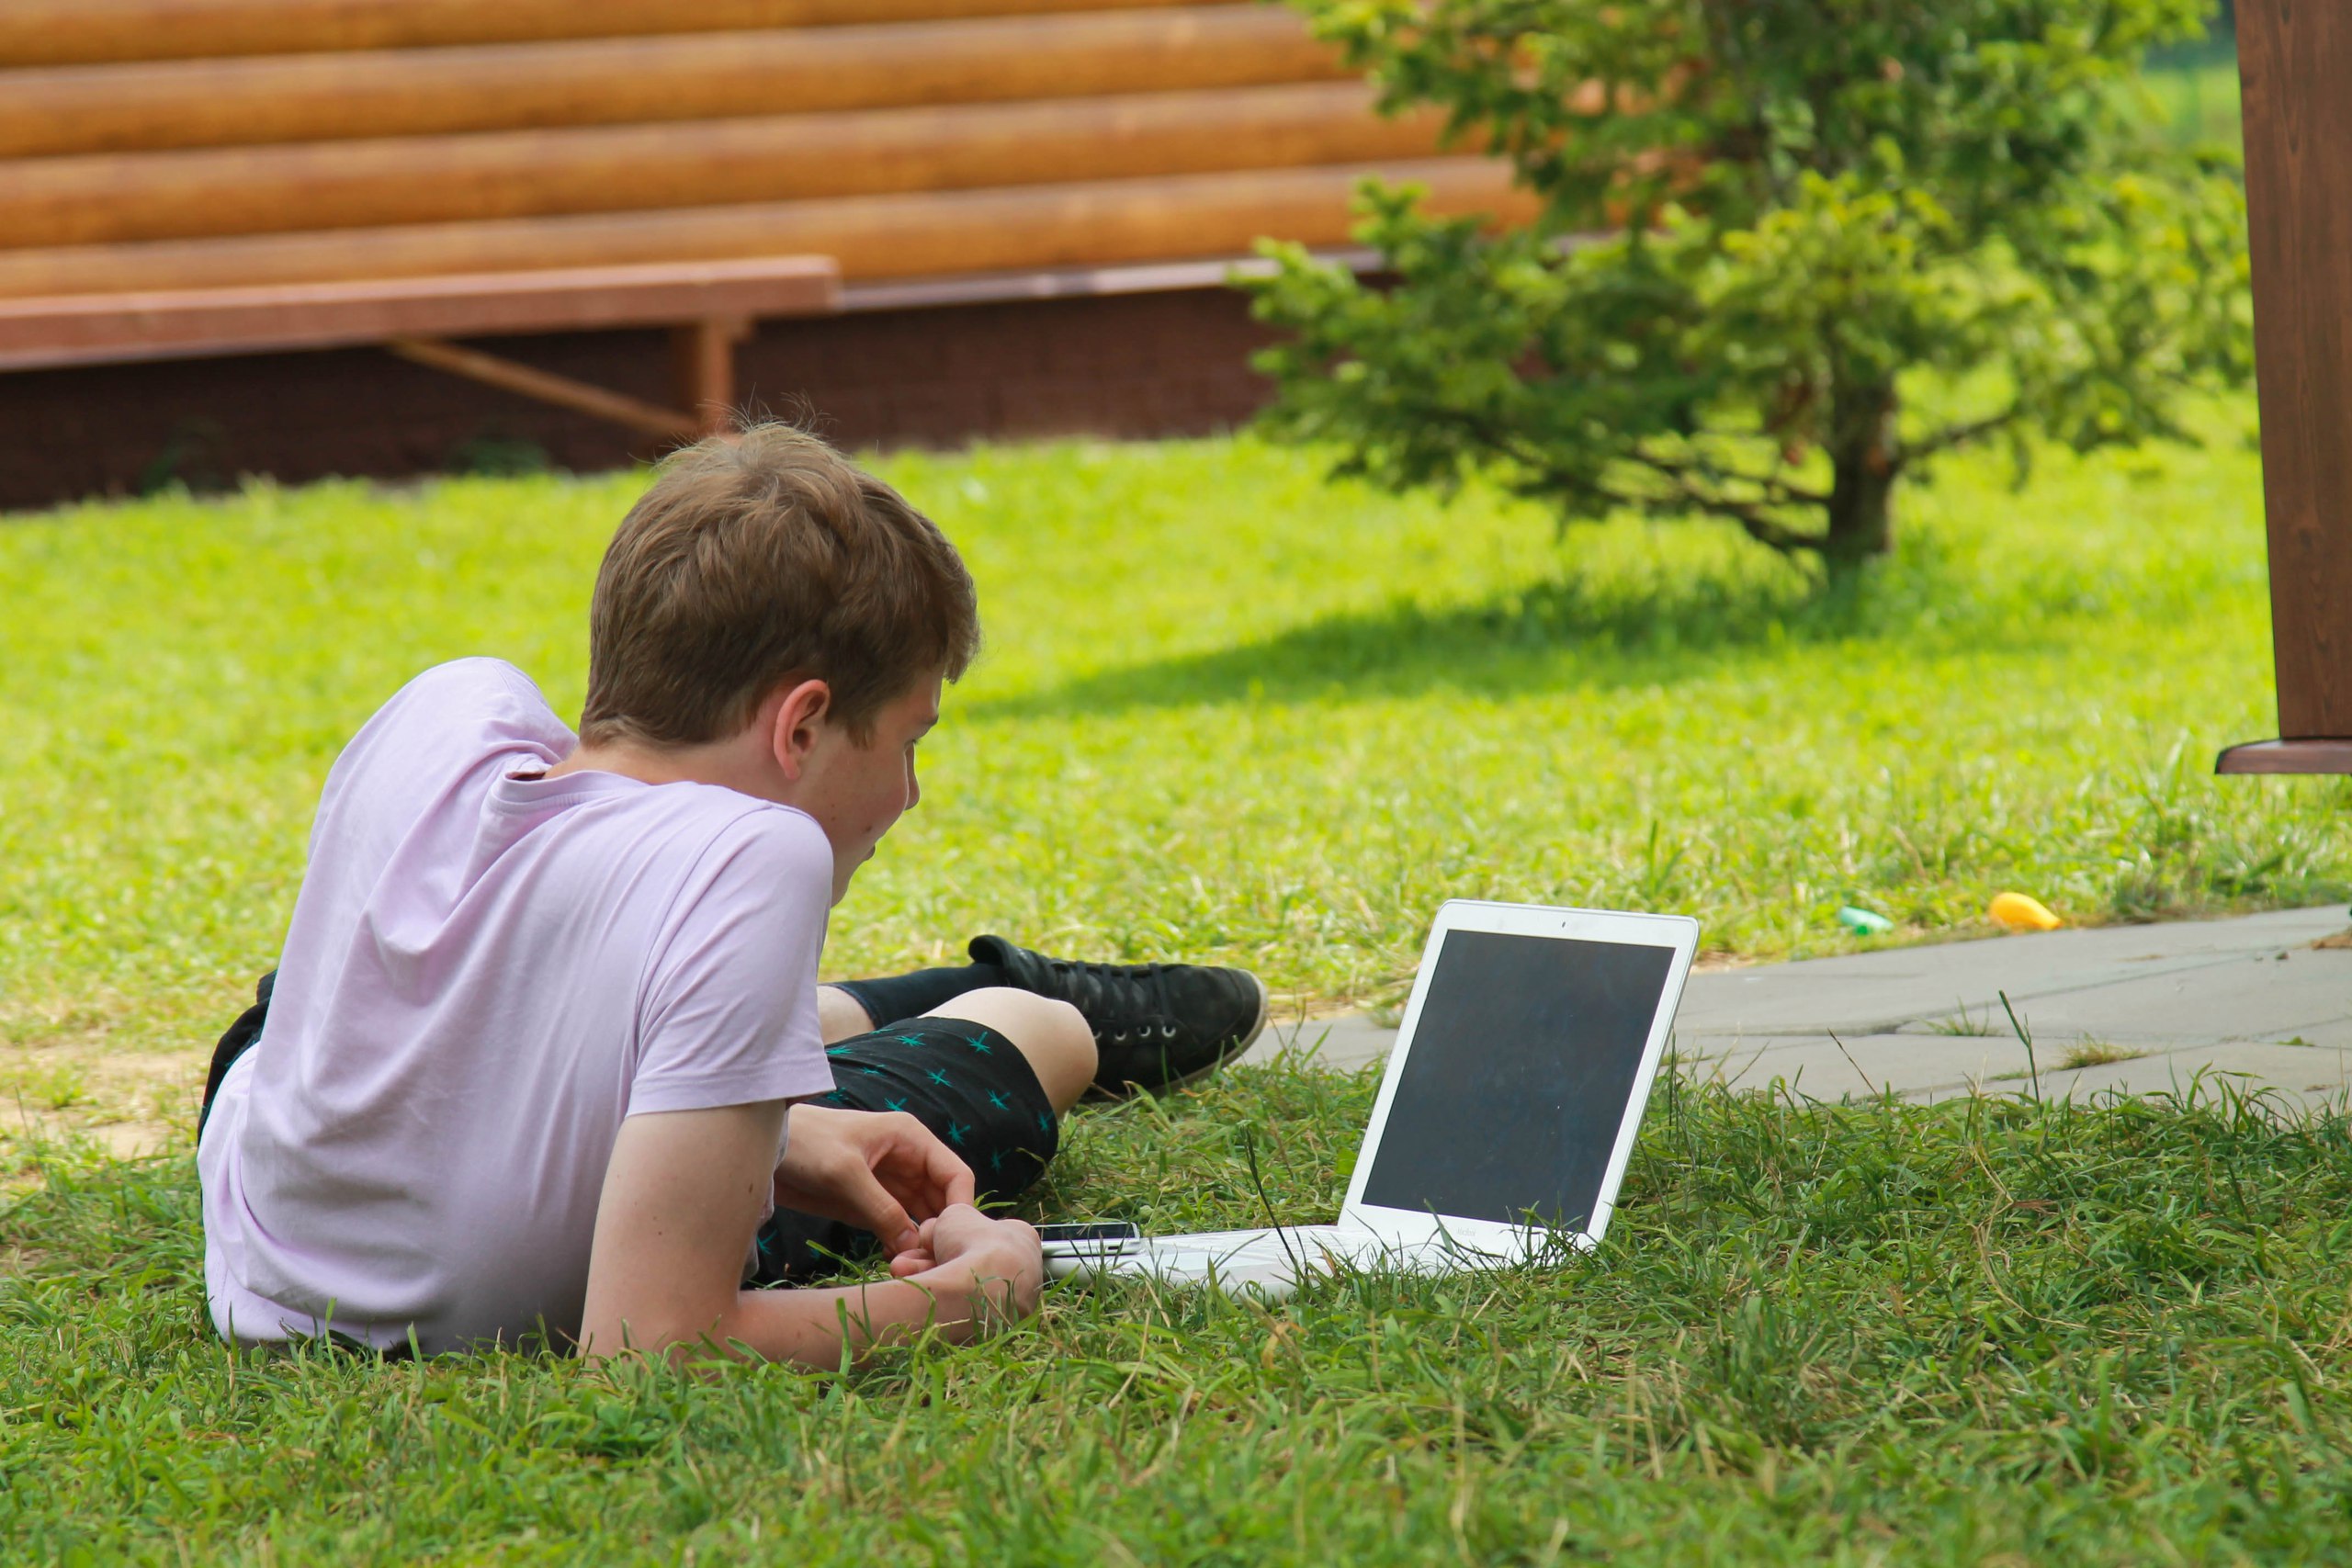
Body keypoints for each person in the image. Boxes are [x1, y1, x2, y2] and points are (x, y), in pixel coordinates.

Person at [196, 424, 1268, 1366]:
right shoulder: (758, 853)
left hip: (265, 1129)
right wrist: (972, 1293)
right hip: (498, 1207)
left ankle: (815, 1044)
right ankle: (1002, 988)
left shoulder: (448, 701)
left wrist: (786, 1140)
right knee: (1040, 1033)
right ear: (801, 726)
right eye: (907, 742)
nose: (909, 793)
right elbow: (653, 1346)